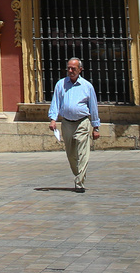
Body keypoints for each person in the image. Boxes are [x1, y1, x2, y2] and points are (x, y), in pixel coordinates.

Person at [47, 57, 100, 192]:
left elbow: (93, 107)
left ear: (80, 70)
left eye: (73, 69)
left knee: (83, 152)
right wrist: (53, 120)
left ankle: (79, 182)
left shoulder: (87, 86)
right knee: (71, 154)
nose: (70, 71)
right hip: (67, 123)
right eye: (68, 68)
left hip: (82, 122)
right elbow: (56, 103)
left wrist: (96, 127)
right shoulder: (61, 84)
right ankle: (78, 174)